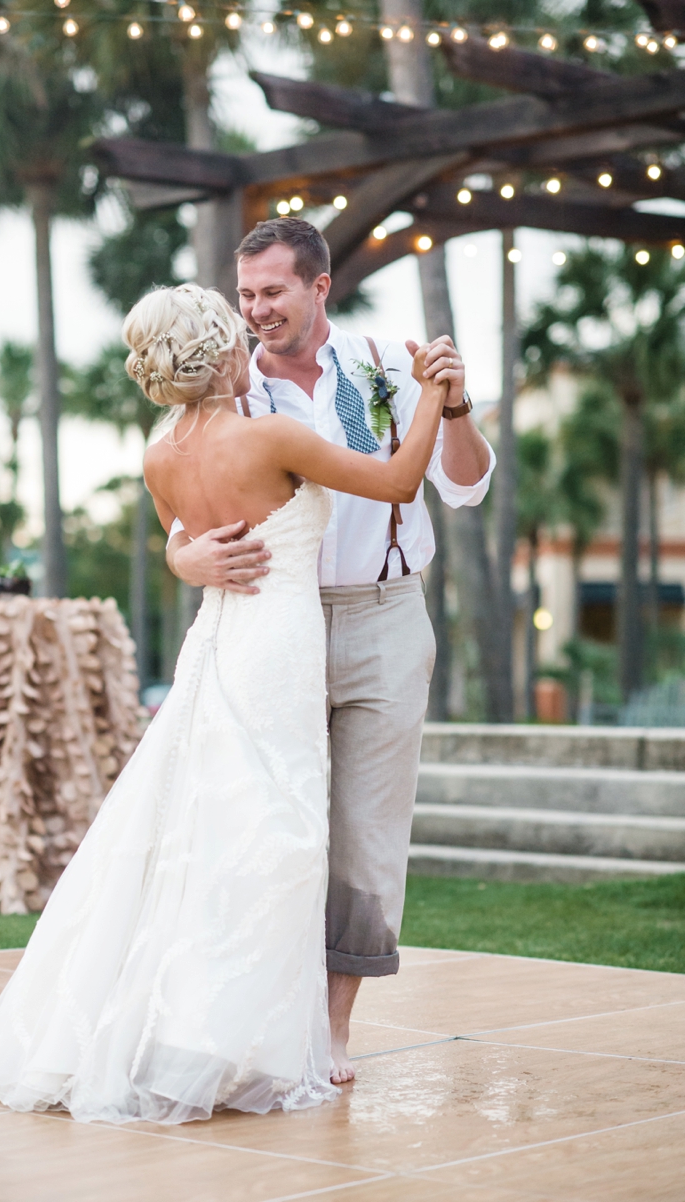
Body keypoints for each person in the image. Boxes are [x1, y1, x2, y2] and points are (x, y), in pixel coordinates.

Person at [0, 282, 451, 1125]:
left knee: (199, 837)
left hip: (216, 648)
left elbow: (181, 538)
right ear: (224, 351)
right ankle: (247, 1042)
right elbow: (401, 480)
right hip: (278, 654)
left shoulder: (160, 455)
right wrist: (437, 393)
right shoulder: (271, 437)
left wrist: (184, 560)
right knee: (274, 843)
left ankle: (193, 1034)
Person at [166, 219, 495, 1085]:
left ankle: (332, 1029)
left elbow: (461, 486)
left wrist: (452, 402)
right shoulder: (229, 391)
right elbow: (184, 519)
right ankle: (259, 1013)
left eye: (272, 292)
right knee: (278, 829)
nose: (255, 311)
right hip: (281, 629)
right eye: (244, 296)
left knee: (365, 838)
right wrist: (183, 558)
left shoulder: (395, 362)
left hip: (389, 617)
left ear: (319, 288)